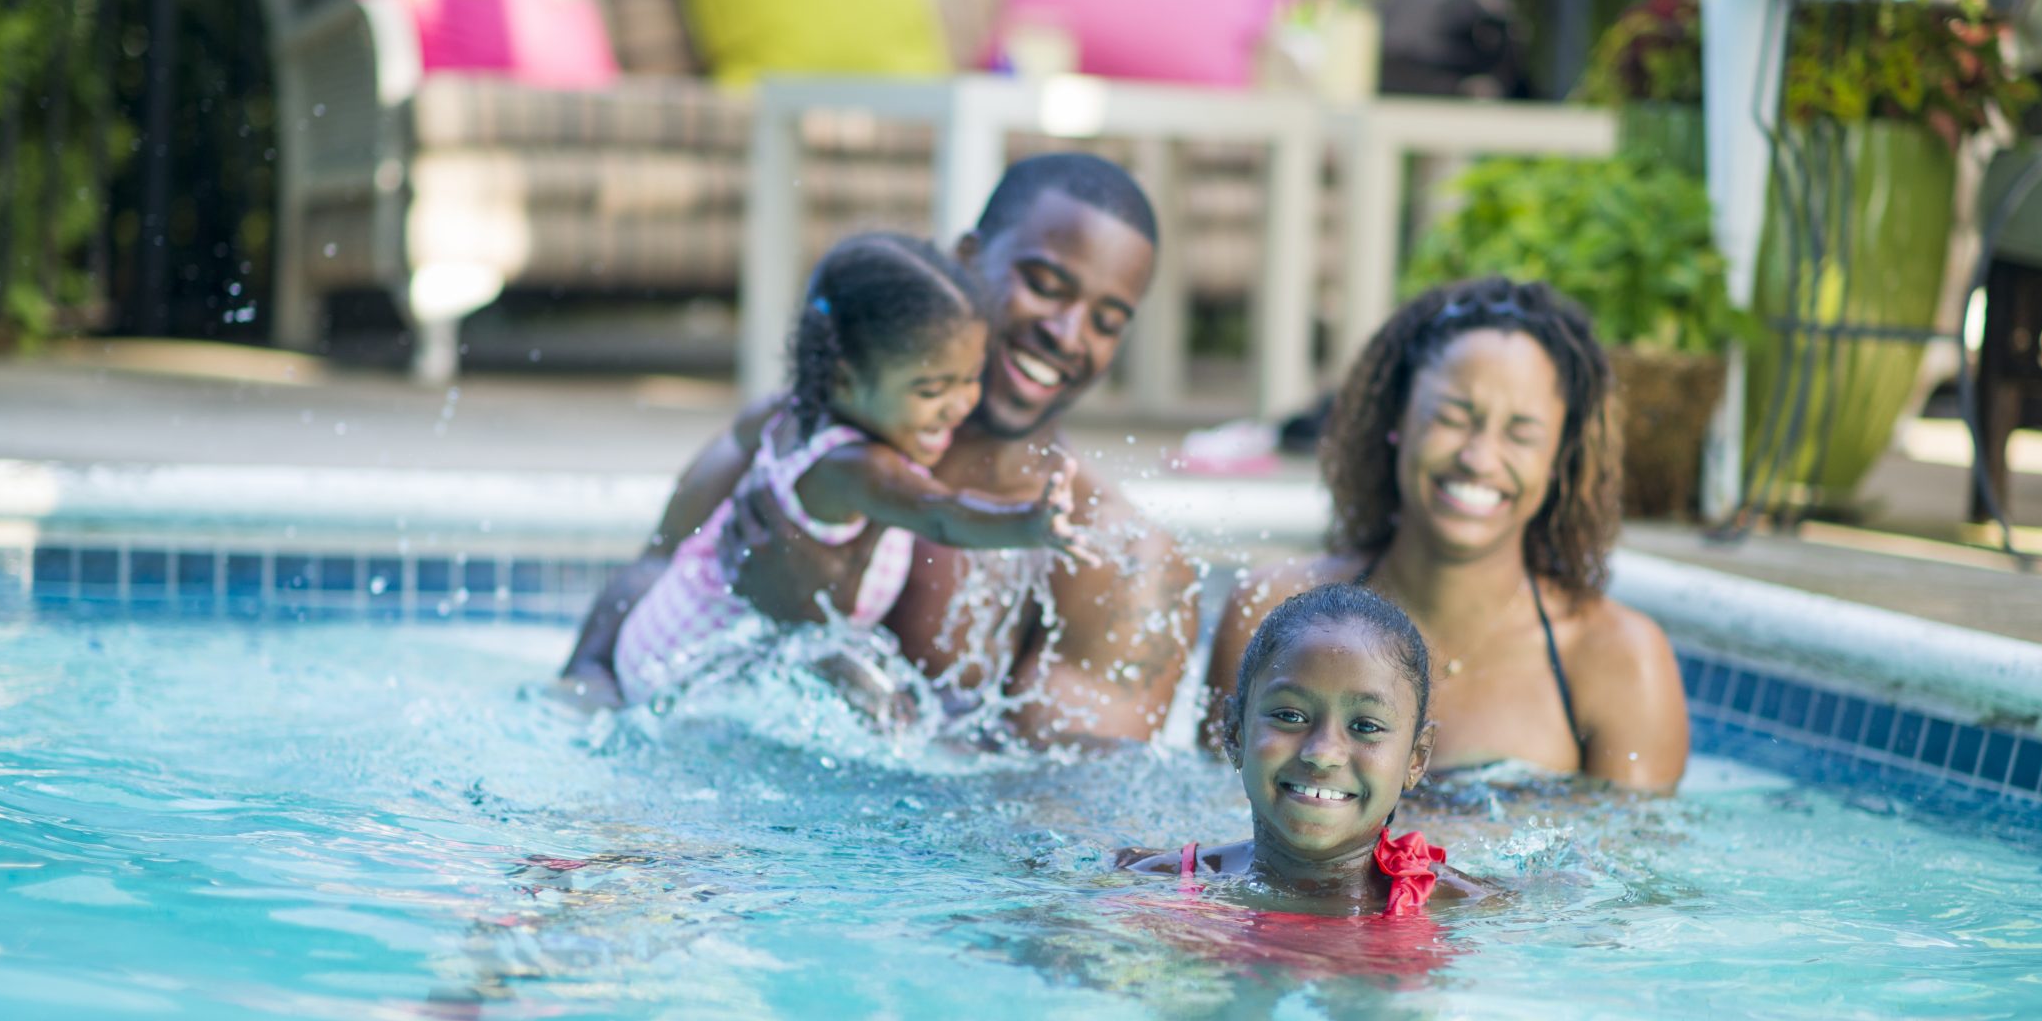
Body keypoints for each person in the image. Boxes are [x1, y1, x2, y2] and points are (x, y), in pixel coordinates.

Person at [562, 154, 1199, 742]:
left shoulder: (1118, 563)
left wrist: (809, 630)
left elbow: (1058, 809)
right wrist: (584, 713)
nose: (1067, 334)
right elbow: (630, 609)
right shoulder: (797, 434)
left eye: (1106, 322)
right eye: (1044, 285)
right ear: (968, 259)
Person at [1204, 277, 1689, 790]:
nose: (1479, 458)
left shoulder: (1618, 661)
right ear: (1397, 420)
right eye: (1453, 417)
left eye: (1521, 433)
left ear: (1560, 458)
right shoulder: (1272, 611)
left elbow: (1634, 844)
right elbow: (1216, 815)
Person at [611, 233, 1100, 704]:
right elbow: (940, 513)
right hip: (684, 670)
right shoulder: (853, 468)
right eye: (931, 390)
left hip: (653, 639)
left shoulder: (787, 413)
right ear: (844, 380)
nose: (960, 405)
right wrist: (1026, 523)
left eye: (971, 378)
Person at [1124, 584, 1494, 916]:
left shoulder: (1463, 905)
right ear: (1235, 734)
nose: (1323, 752)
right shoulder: (1153, 883)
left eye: (1366, 726)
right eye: (1290, 716)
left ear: (1417, 758)